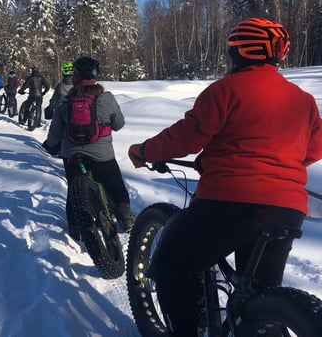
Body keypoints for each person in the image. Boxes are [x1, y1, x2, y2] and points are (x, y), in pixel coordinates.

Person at [127, 18, 322, 337]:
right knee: (259, 296)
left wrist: (145, 151)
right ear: (278, 53)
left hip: (229, 202)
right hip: (287, 209)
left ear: (237, 52)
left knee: (173, 265)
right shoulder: (302, 101)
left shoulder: (224, 90)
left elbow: (186, 138)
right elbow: (312, 150)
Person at [42, 56, 134, 240]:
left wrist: (51, 147)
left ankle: (75, 229)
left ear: (76, 76)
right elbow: (119, 124)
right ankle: (125, 217)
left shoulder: (66, 101)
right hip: (102, 155)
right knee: (115, 185)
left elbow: (55, 133)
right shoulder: (106, 98)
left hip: (73, 155)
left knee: (73, 190)